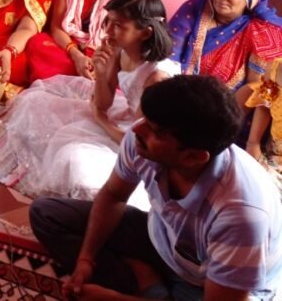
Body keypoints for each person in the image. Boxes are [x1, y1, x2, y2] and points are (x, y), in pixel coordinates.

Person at [30, 75, 282, 301]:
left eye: (156, 131)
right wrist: (87, 259)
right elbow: (114, 196)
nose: (136, 129)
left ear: (193, 157)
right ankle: (149, 280)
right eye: (146, 120)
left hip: (207, 284)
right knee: (46, 215)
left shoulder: (241, 215)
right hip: (164, 242)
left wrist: (113, 299)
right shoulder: (142, 139)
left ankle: (150, 286)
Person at [4, 0, 179, 208]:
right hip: (127, 118)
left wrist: (101, 119)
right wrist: (101, 73)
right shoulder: (120, 50)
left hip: (145, 143)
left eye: (119, 25)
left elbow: (137, 143)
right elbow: (103, 103)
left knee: (73, 157)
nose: (108, 31)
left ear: (145, 33)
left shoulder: (156, 78)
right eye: (109, 22)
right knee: (34, 102)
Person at [169, 0, 282, 160]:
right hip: (179, 100)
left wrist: (215, 123)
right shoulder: (196, 9)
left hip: (229, 116)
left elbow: (258, 88)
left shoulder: (262, 31)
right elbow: (169, 58)